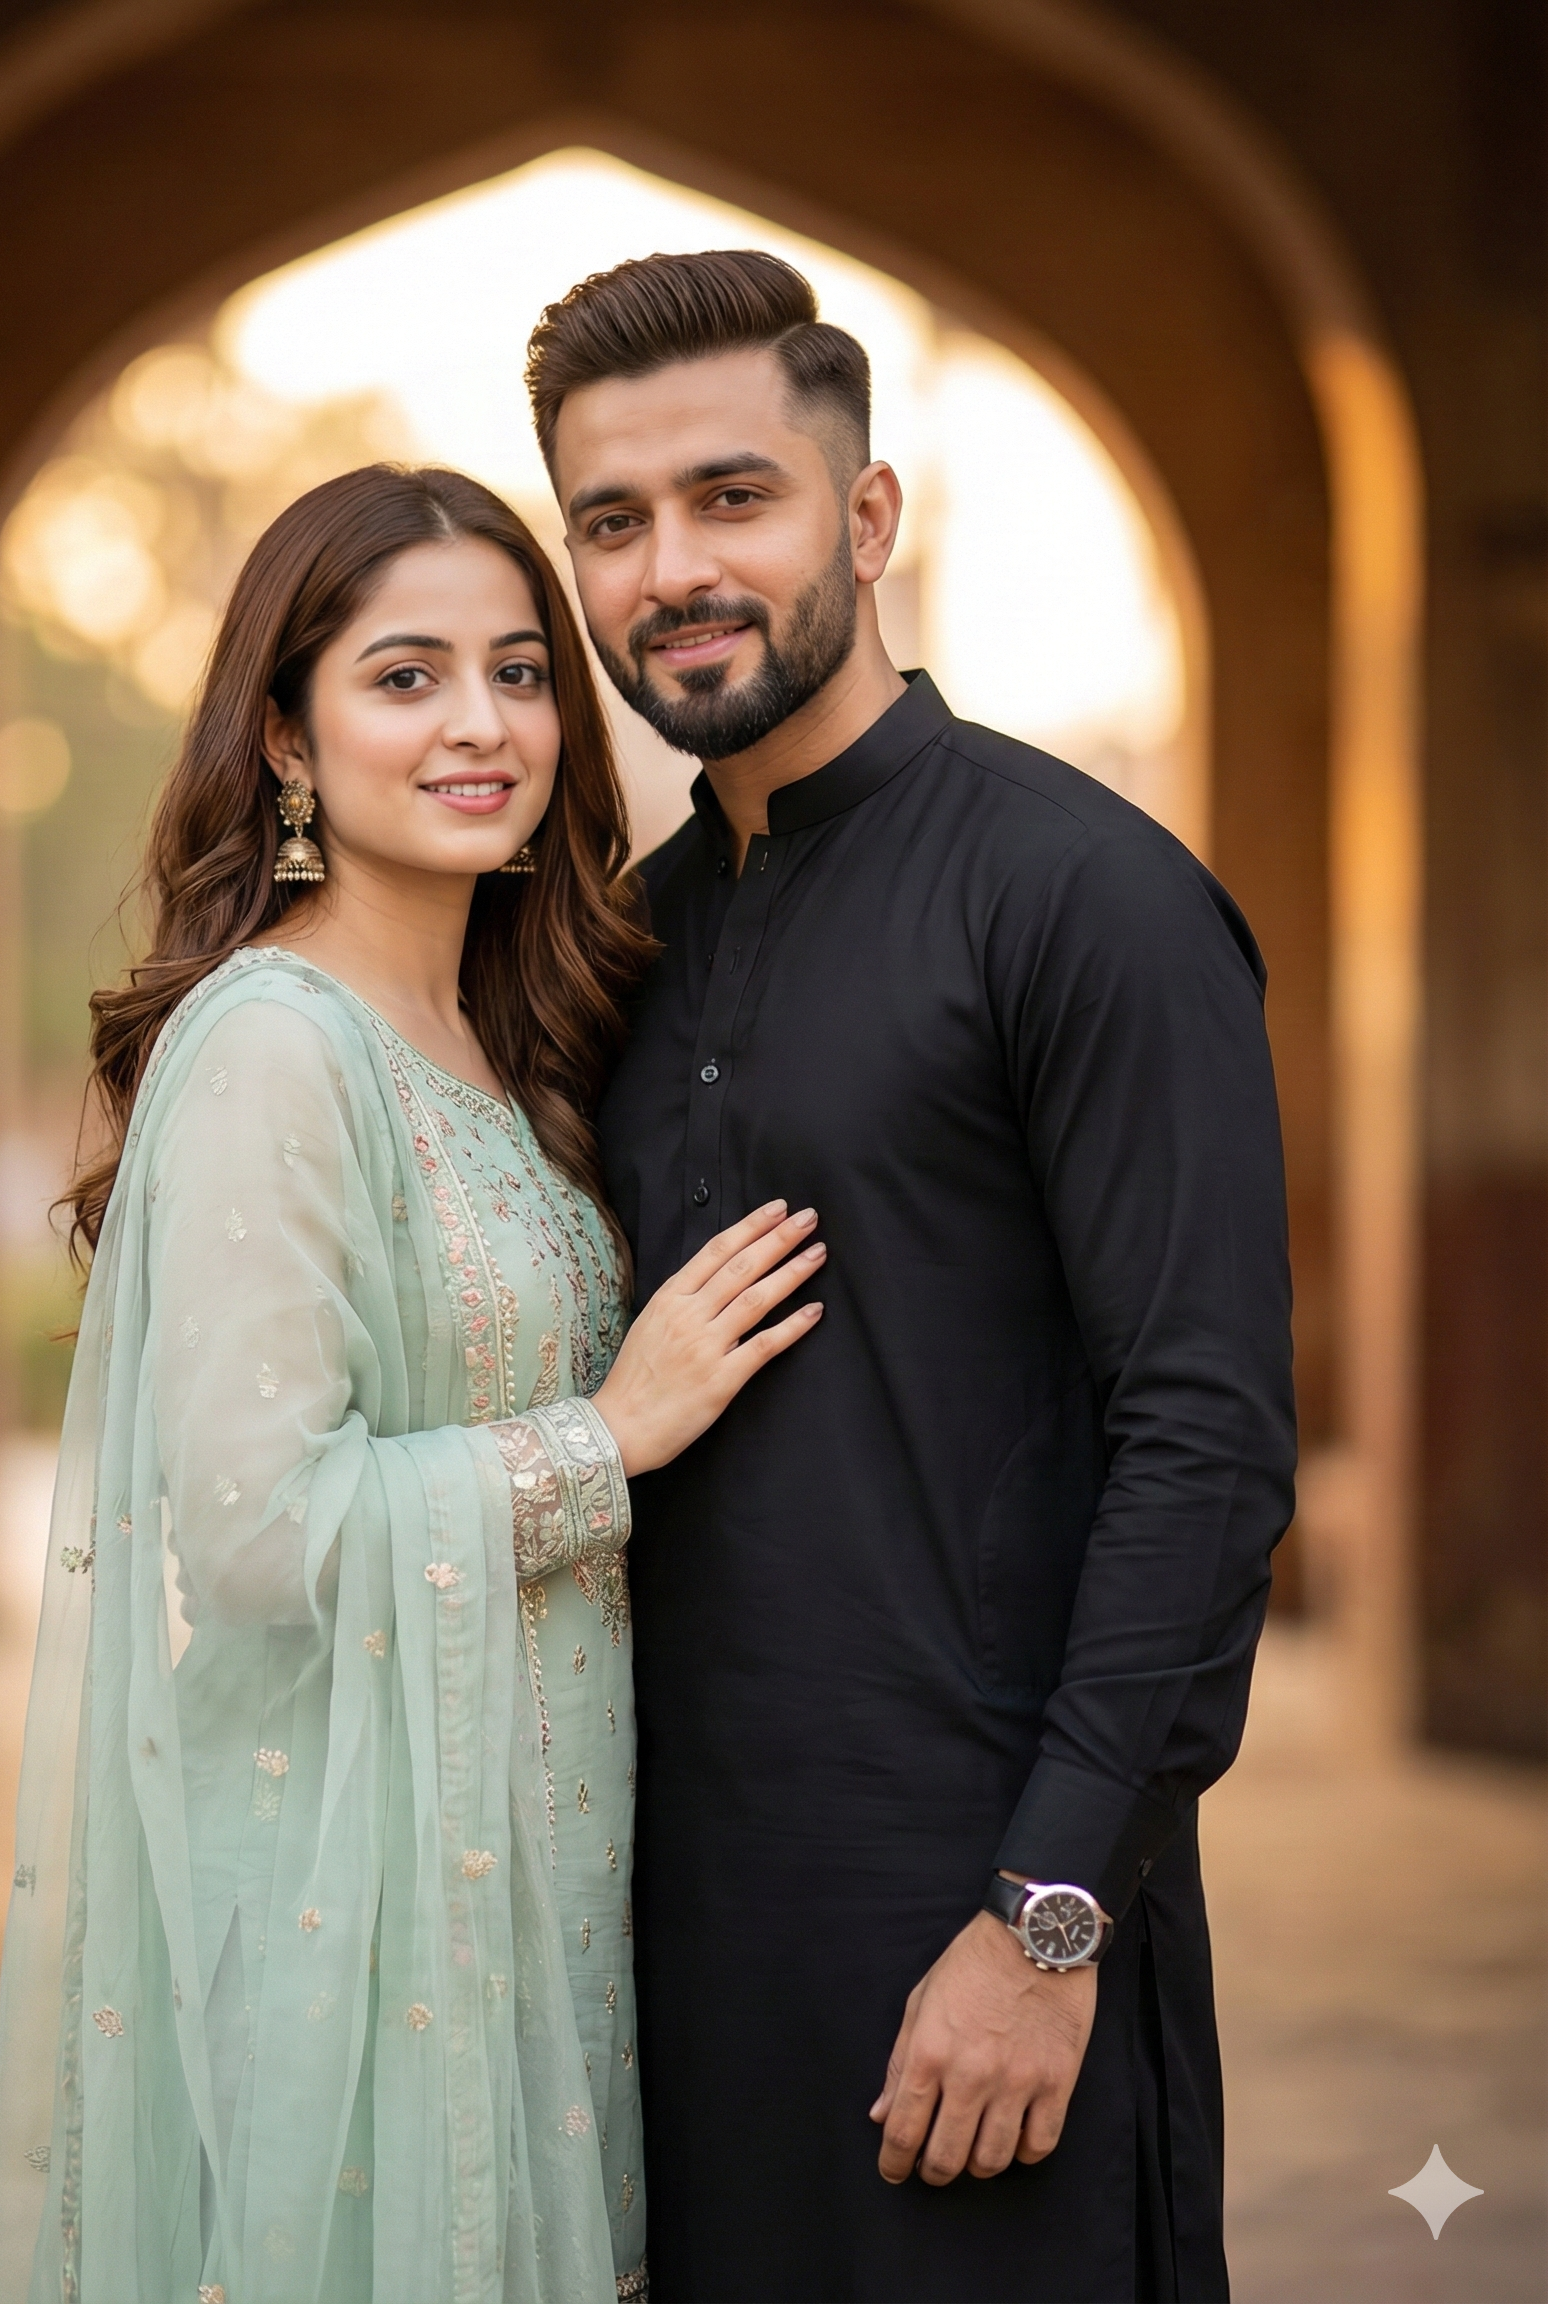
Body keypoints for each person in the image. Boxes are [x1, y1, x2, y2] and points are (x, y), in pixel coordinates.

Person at [0, 463, 828, 2304]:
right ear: (286, 732)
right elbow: (260, 1530)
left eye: (521, 673)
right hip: (349, 1896)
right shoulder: (276, 1046)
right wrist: (612, 1431)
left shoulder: (492, 1034)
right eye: (406, 675)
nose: (483, 726)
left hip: (531, 1874)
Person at [525, 251, 1297, 2303]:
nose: (672, 568)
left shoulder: (1084, 899)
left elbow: (1204, 1447)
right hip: (667, 1950)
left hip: (979, 1948)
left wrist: (1048, 1925)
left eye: (731, 498)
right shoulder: (622, 942)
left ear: (865, 521)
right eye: (612, 522)